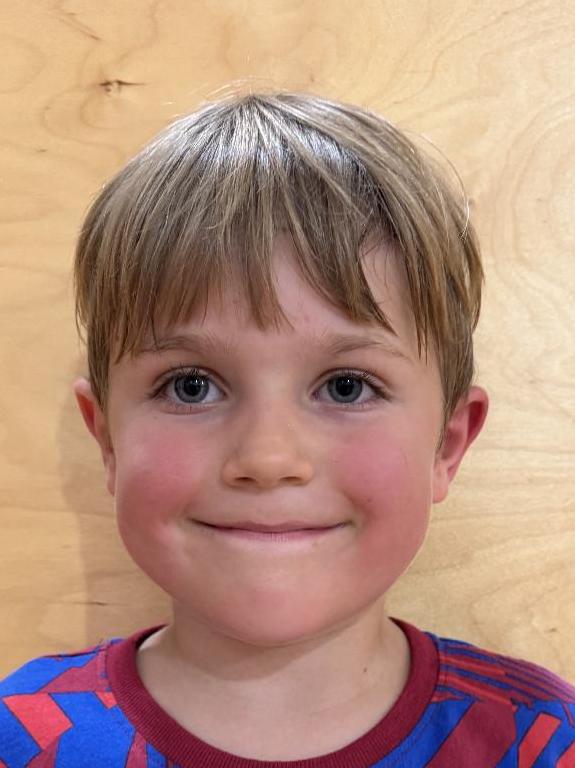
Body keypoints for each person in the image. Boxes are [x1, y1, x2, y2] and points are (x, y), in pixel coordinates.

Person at [1, 91, 573, 768]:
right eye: (190, 385)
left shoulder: (541, 741)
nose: (268, 457)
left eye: (346, 386)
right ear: (108, 442)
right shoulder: (20, 740)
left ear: (445, 447)